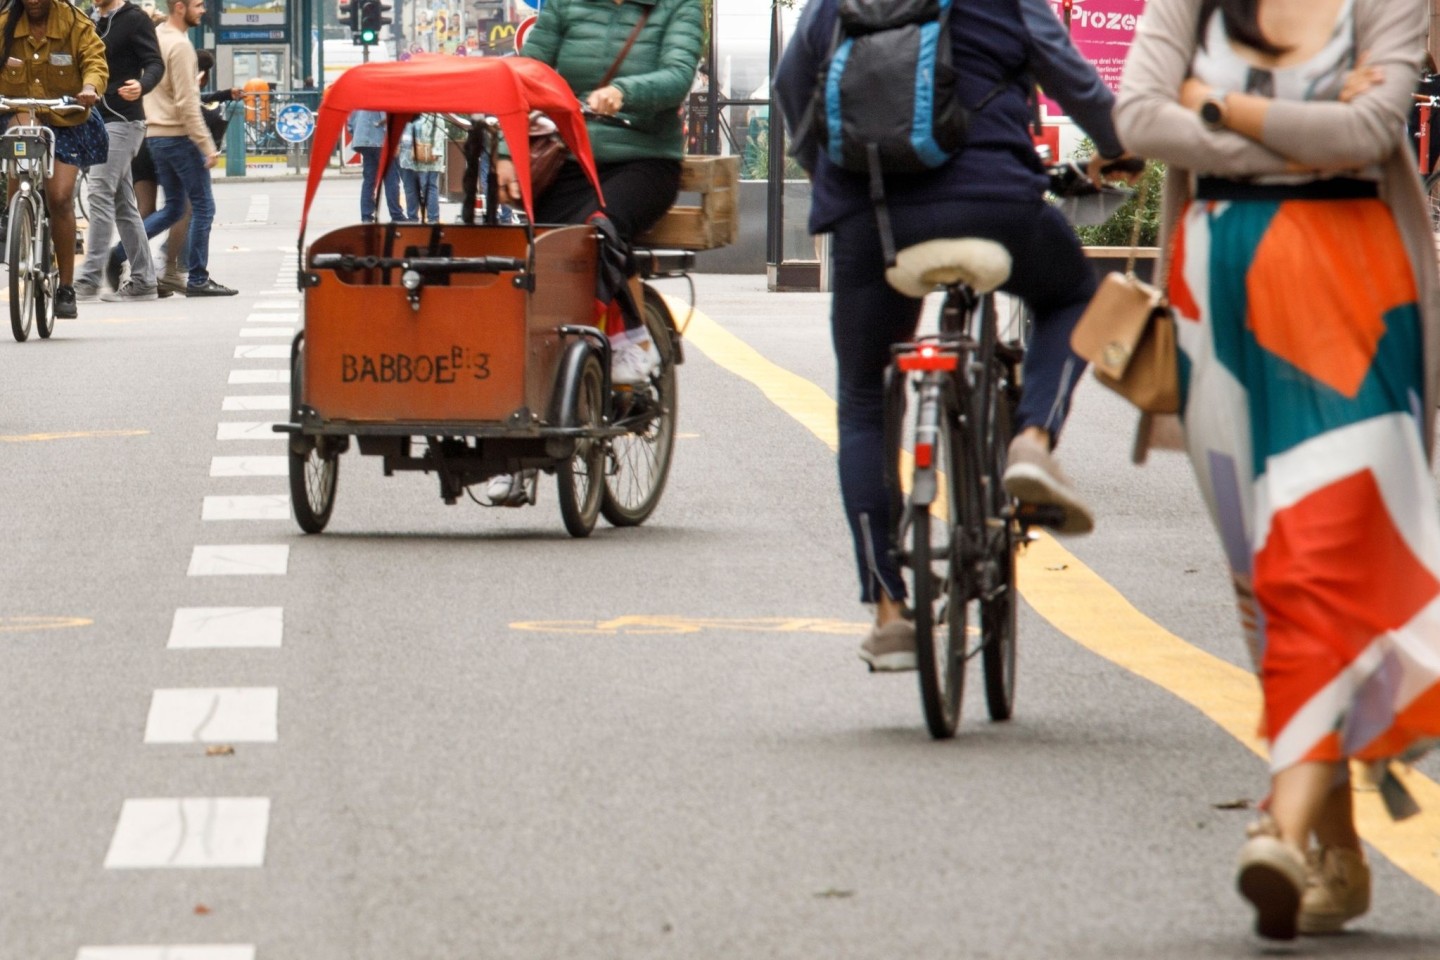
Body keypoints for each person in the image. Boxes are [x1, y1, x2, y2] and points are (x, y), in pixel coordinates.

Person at [1114, 0, 1440, 943]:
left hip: (1360, 298)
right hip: (1216, 299)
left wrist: (1217, 112)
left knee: (1317, 555)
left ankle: (1282, 824)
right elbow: (1136, 116)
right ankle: (1335, 847)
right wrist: (1297, 137)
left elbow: (1372, 132)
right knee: (1264, 580)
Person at [774, 0, 1137, 669]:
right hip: (995, 201)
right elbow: (1075, 84)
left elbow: (792, 93)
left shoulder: (833, 4)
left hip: (870, 216)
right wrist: (1118, 149)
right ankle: (1032, 439)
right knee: (1074, 295)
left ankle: (887, 608)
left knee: (861, 400)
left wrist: (831, 176)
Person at [483, 0, 702, 506]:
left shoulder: (680, 7)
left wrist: (624, 92)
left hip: (641, 163)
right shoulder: (563, 5)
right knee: (530, 268)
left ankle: (633, 344)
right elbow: (526, 77)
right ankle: (515, 454)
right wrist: (506, 153)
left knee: (597, 234)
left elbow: (676, 74)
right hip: (566, 158)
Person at [0, 0, 109, 320]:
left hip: (66, 120)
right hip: (21, 111)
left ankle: (65, 287)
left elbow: (95, 61)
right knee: (20, 147)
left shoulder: (75, 24)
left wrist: (90, 87)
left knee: (61, 198)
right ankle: (13, 217)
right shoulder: (5, 23)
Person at [137, 0, 234, 296]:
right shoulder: (180, 46)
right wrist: (207, 146)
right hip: (178, 135)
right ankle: (197, 278)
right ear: (180, 7)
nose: (203, 10)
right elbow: (187, 103)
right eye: (198, 5)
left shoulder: (158, 37)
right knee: (203, 207)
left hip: (155, 134)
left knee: (173, 208)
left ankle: (119, 254)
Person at [74, 0, 163, 303]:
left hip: (124, 120)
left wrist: (142, 84)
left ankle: (88, 279)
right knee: (124, 205)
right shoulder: (88, 19)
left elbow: (155, 62)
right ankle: (144, 281)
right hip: (95, 119)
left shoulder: (134, 18)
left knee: (98, 192)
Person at [349, 108, 404, 223]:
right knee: (391, 178)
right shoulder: (380, 93)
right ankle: (396, 215)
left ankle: (366, 215)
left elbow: (350, 121)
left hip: (363, 141)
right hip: (380, 140)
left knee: (369, 180)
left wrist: (357, 135)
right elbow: (385, 117)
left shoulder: (359, 97)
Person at [398, 112, 445, 223]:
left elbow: (439, 134)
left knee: (428, 187)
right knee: (410, 189)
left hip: (427, 159)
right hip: (407, 157)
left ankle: (433, 219)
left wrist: (436, 152)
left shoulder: (434, 115)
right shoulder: (405, 113)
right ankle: (412, 218)